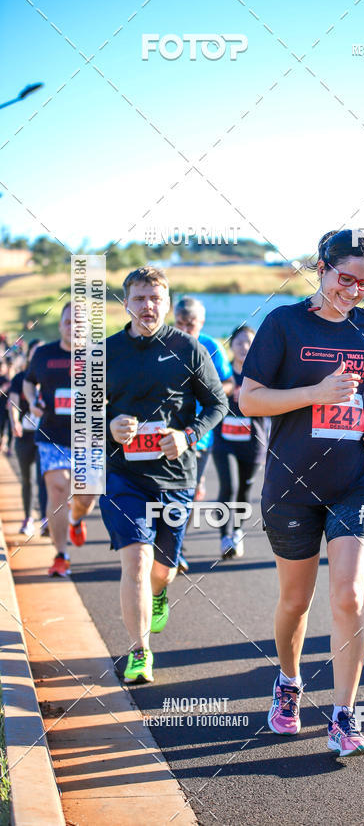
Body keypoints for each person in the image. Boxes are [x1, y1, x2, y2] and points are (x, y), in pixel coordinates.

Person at [239, 229, 364, 757]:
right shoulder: (283, 322)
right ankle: (287, 681)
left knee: (349, 596)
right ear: (319, 267)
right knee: (296, 601)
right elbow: (249, 400)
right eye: (344, 278)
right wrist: (315, 393)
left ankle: (345, 717)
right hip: (292, 484)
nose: (352, 291)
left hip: (356, 479)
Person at [101, 267, 228, 684]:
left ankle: (159, 593)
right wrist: (109, 426)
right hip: (123, 476)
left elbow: (218, 405)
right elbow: (82, 414)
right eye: (139, 298)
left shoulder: (189, 348)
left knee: (162, 569)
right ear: (126, 303)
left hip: (175, 476)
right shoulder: (105, 352)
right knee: (136, 559)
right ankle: (140, 653)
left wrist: (187, 435)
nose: (147, 306)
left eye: (155, 298)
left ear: (167, 303)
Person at [23, 303, 96, 577]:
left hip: (89, 438)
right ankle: (61, 555)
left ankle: (76, 519)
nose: (73, 327)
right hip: (52, 433)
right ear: (61, 325)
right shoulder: (43, 354)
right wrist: (31, 402)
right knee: (57, 488)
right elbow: (29, 381)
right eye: (68, 322)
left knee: (86, 496)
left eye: (78, 322)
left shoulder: (98, 356)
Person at [173, 297, 234, 571]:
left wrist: (210, 392)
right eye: (180, 324)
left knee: (185, 493)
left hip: (200, 434)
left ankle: (176, 550)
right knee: (163, 492)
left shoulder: (210, 346)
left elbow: (229, 384)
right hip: (164, 430)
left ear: (202, 323)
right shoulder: (162, 343)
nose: (186, 330)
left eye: (192, 325)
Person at [212, 325, 267, 559]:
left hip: (252, 443)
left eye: (249, 342)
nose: (244, 346)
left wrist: (253, 395)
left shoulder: (263, 374)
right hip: (224, 441)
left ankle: (237, 531)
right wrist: (225, 392)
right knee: (229, 486)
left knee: (244, 491)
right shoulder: (222, 376)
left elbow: (273, 404)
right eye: (240, 342)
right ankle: (225, 537)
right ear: (231, 345)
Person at [8, 339, 47, 536]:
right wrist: (14, 420)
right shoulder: (20, 378)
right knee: (27, 479)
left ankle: (46, 518)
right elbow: (14, 402)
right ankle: (28, 518)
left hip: (45, 435)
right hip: (24, 436)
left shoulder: (51, 377)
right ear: (30, 355)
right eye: (36, 351)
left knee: (44, 478)